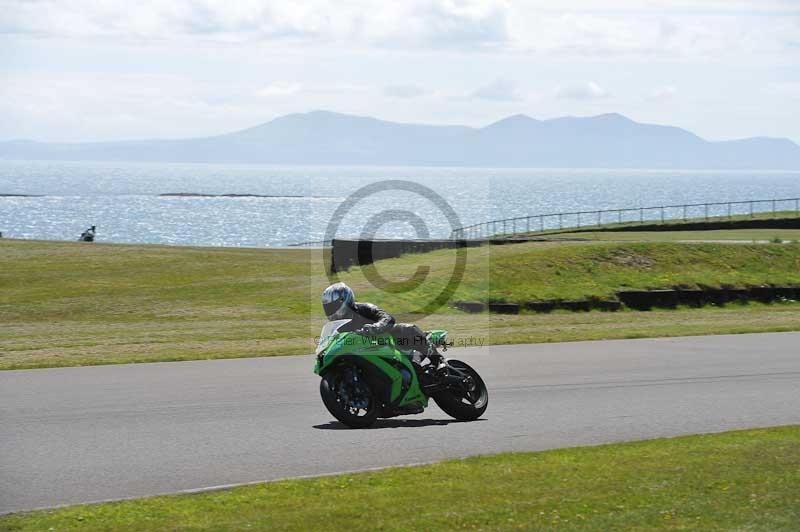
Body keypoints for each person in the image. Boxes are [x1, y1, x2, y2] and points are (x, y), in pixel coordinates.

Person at [321, 282, 443, 371]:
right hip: (366, 353)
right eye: (328, 307)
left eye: (333, 306)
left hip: (389, 343)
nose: (331, 310)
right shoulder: (337, 327)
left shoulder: (364, 308)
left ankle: (439, 362)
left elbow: (388, 318)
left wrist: (375, 327)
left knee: (408, 329)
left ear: (345, 301)